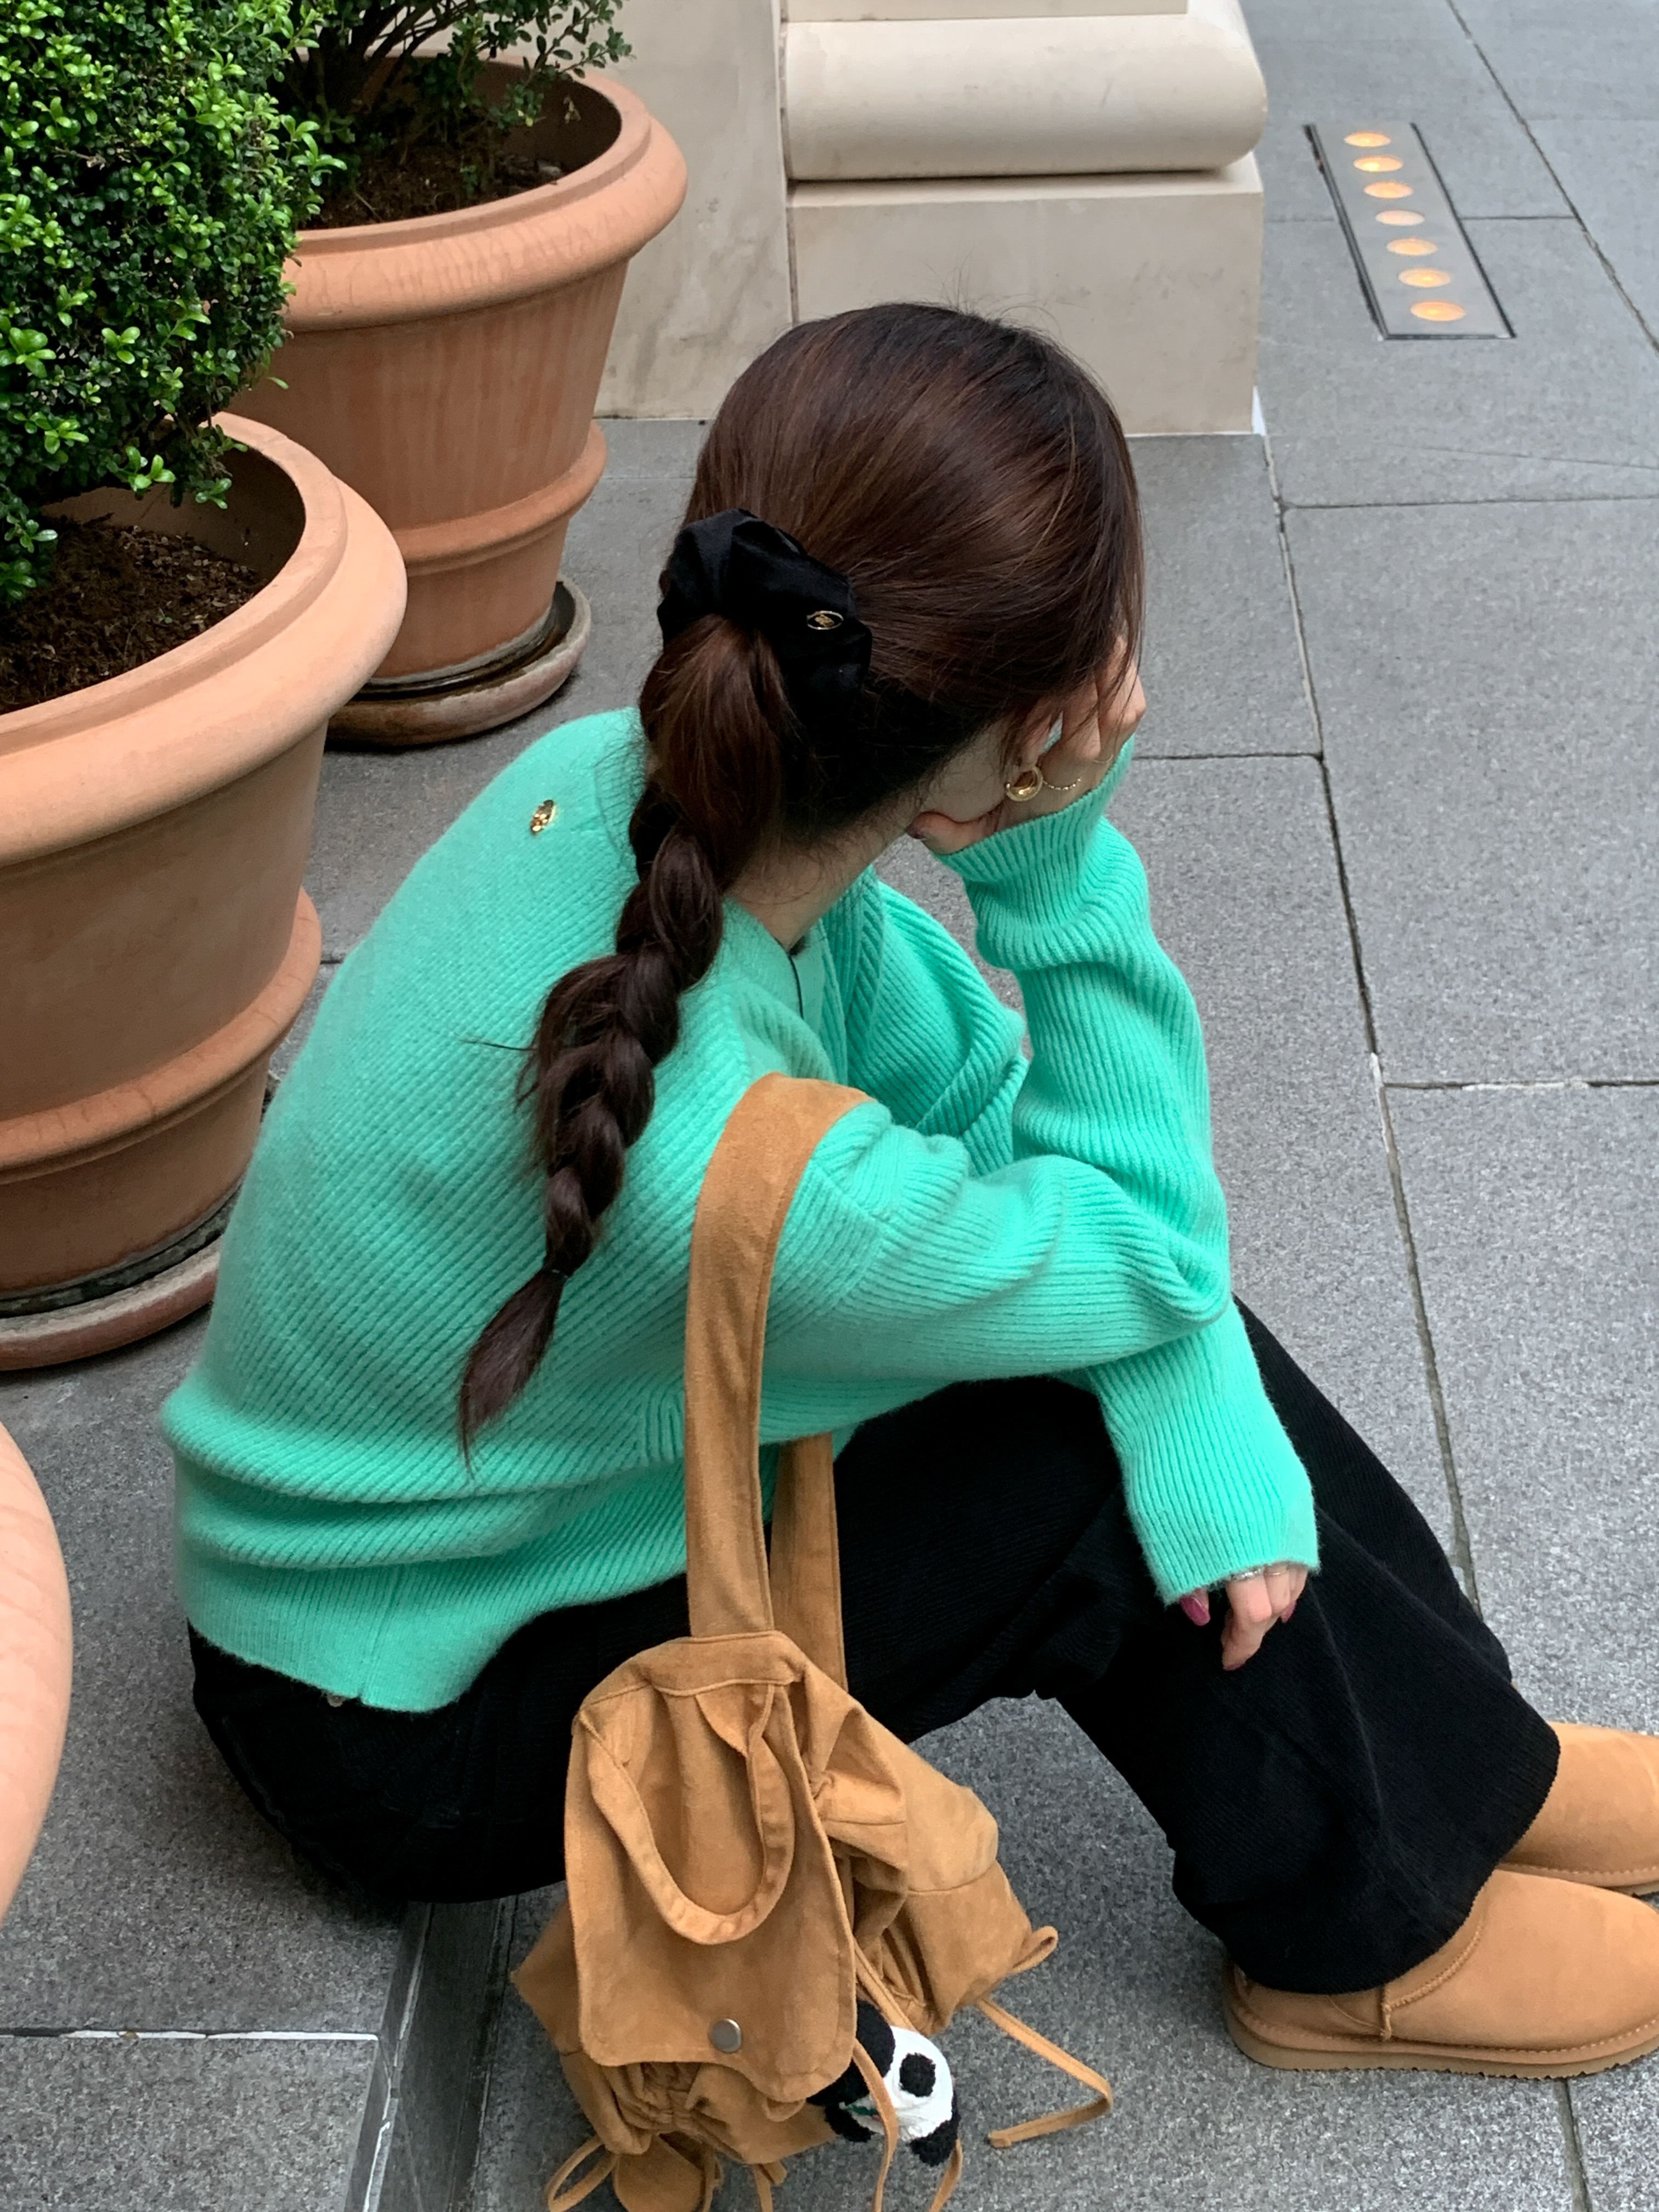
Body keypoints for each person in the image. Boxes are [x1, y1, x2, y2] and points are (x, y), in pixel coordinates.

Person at [167, 303, 1659, 2080]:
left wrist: (1201, 1408)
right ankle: (1362, 1943)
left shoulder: (649, 801)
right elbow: (1137, 1239)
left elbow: (1050, 1166)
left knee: (1127, 1332)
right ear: (1014, 744)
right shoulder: (736, 1158)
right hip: (400, 1720)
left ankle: (1479, 1768)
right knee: (1068, 1459)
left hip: (445, 1552)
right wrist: (1060, 868)